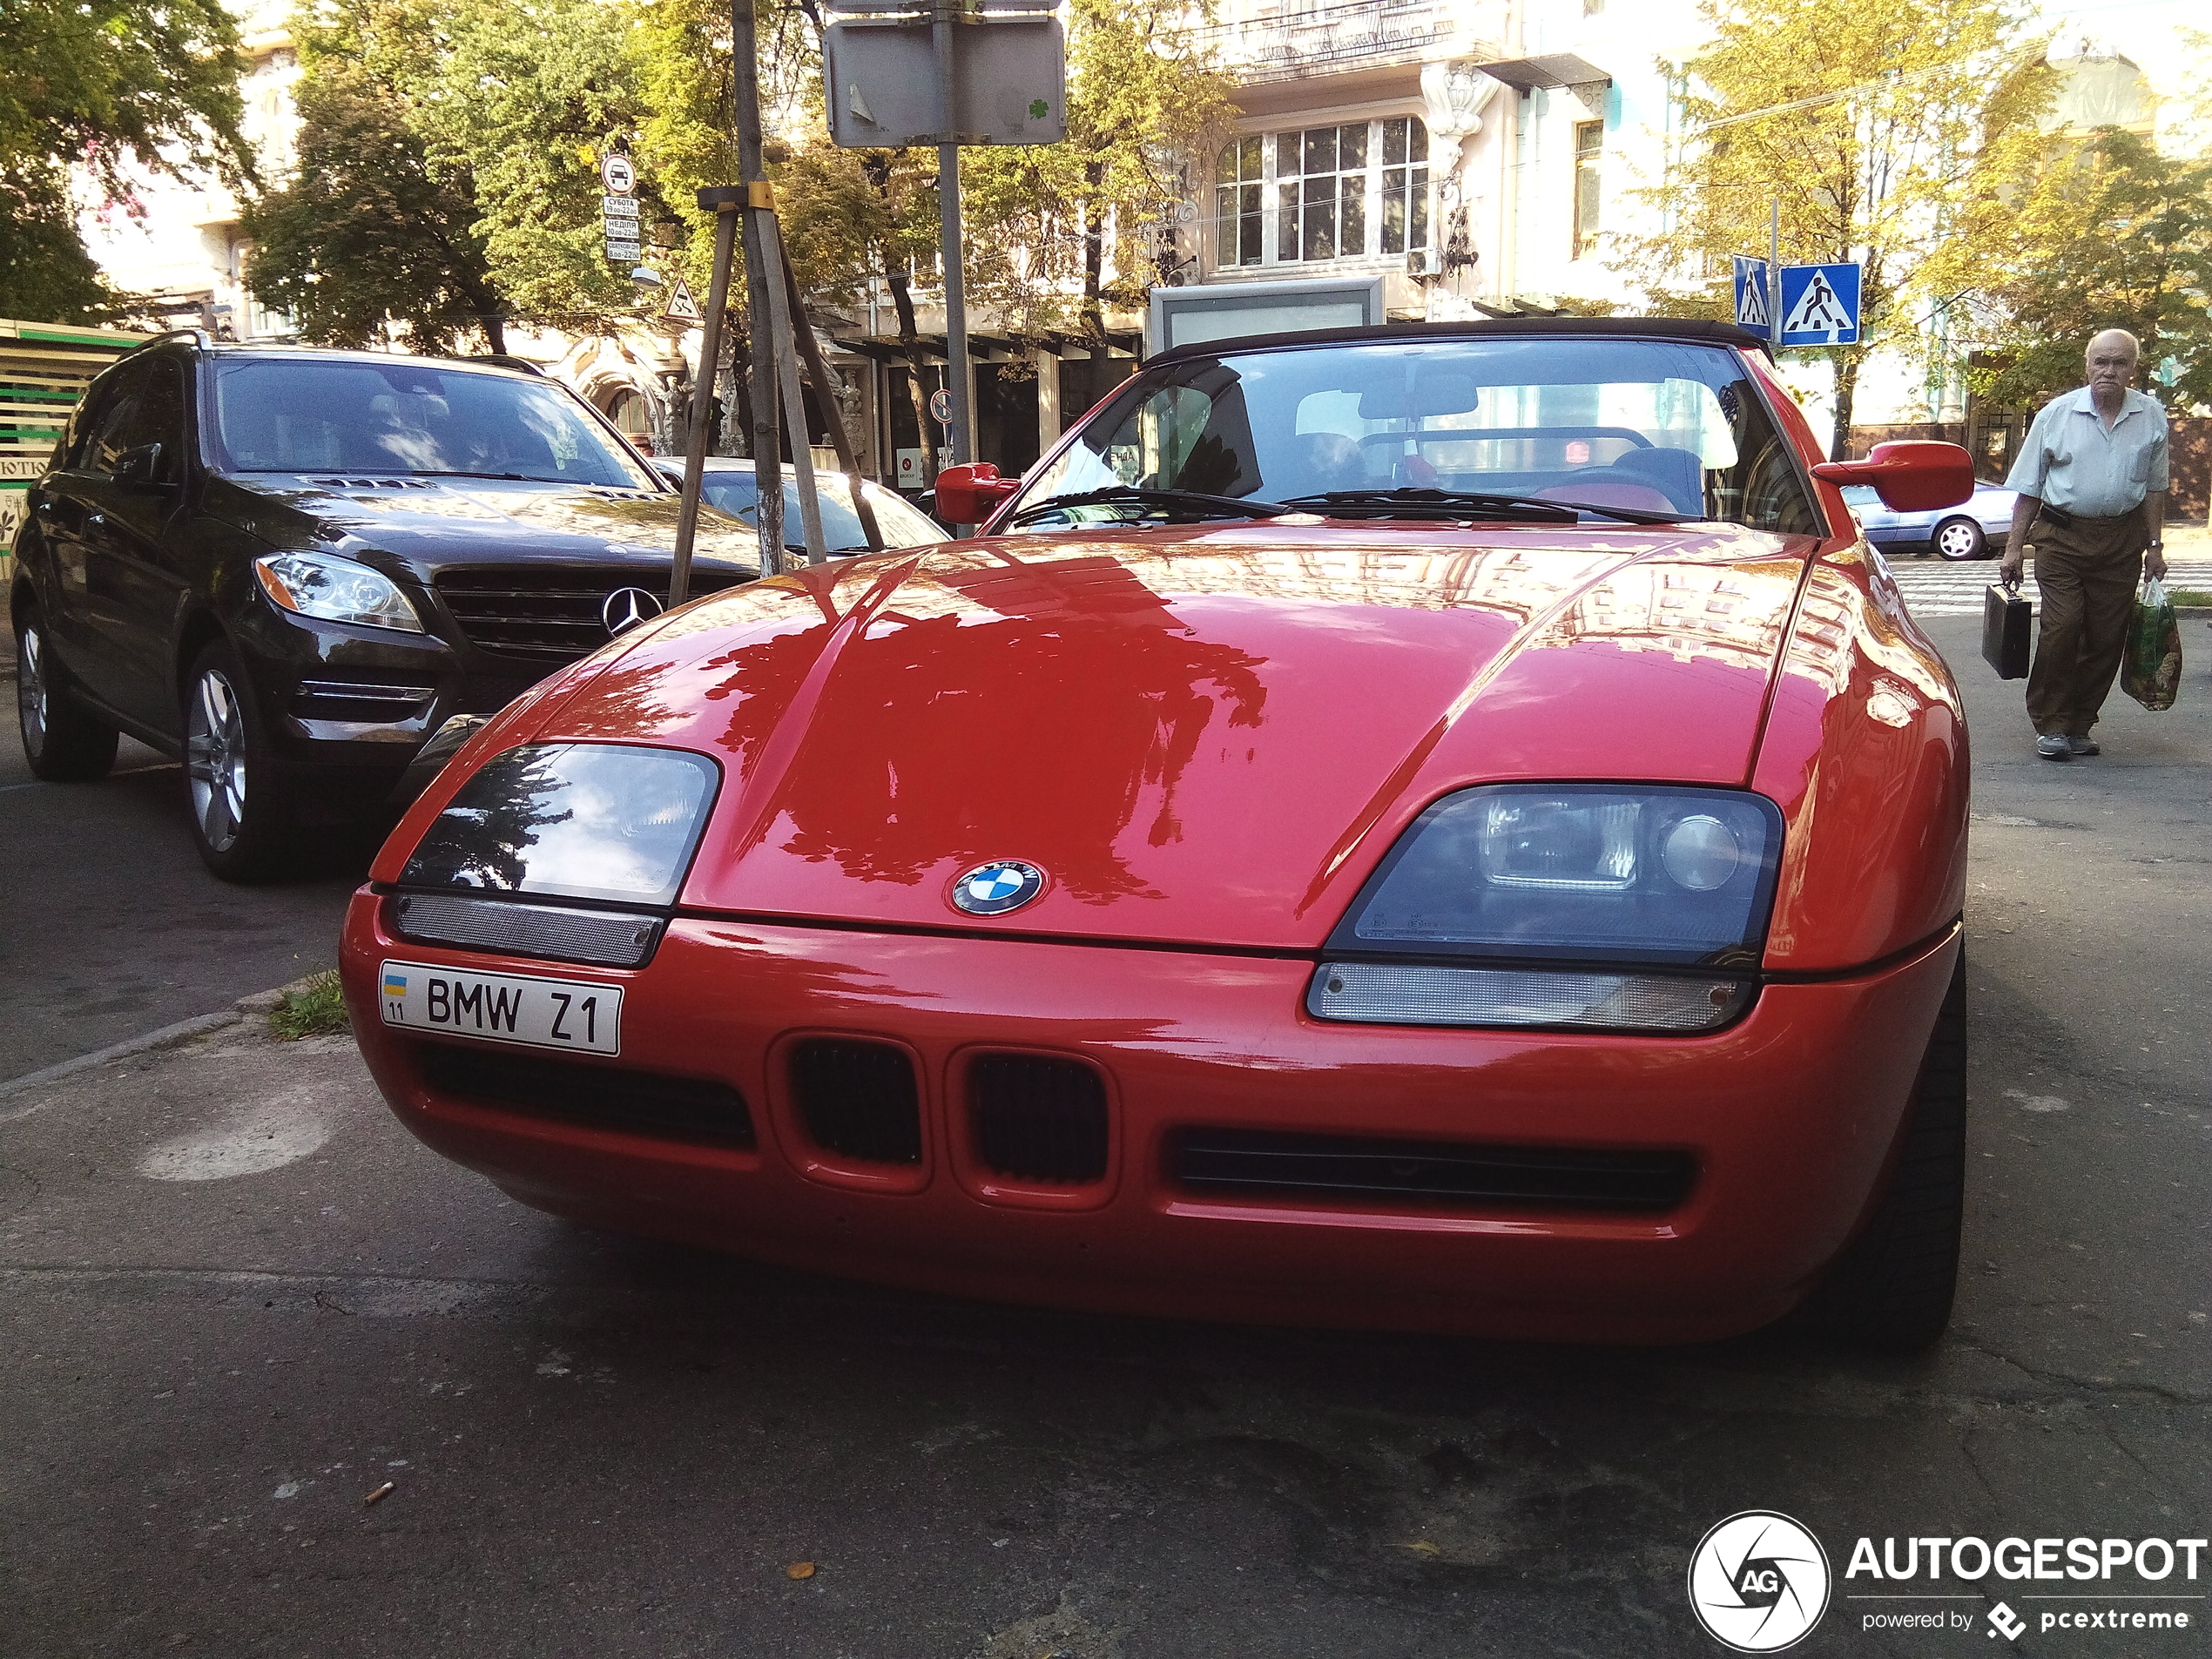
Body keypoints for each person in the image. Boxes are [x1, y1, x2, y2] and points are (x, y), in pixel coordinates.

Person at [2000, 328, 2168, 760]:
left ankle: (2080, 723)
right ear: (2087, 365)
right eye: (2101, 362)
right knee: (2063, 627)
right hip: (2062, 538)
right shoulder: (2055, 415)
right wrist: (2013, 548)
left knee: (2107, 637)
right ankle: (2050, 723)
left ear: (2133, 368)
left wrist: (2154, 547)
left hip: (2121, 542)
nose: (2109, 371)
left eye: (2120, 363)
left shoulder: (2150, 415)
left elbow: (2154, 489)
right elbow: (2029, 489)